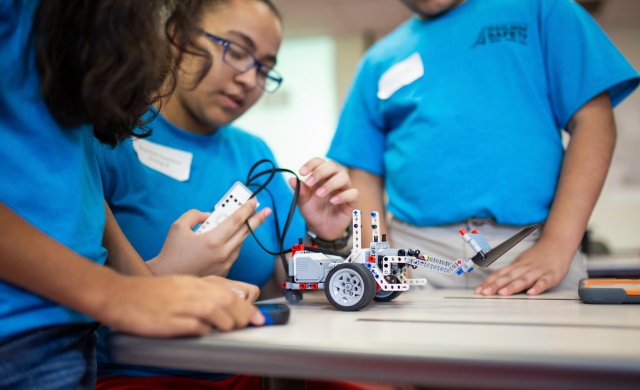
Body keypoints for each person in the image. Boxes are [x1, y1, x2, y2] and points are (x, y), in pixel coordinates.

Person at [0, 1, 268, 389]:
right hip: (18, 333)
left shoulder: (76, 32)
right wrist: (118, 294)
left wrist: (146, 287)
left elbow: (75, 178)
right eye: (238, 52)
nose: (248, 78)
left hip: (72, 332)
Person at [93, 0, 358, 388]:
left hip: (248, 370)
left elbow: (305, 292)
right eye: (236, 51)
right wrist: (167, 275)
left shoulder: (254, 153)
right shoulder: (107, 137)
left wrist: (327, 235)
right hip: (135, 375)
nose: (251, 80)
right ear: (177, 36)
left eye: (265, 68)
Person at [327, 0, 639, 297]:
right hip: (414, 253)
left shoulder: (543, 8)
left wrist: (557, 245)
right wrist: (382, 260)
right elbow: (363, 173)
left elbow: (595, 123)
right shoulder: (377, 61)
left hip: (530, 244)